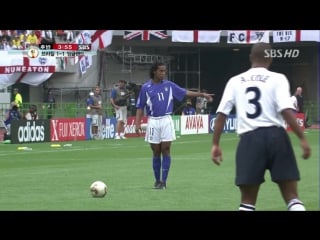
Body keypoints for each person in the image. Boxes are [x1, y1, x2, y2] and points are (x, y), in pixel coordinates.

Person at [211, 43, 311, 211]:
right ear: (270, 58)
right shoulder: (278, 78)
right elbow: (286, 111)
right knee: (292, 198)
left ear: (250, 58)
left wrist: (215, 144)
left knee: (247, 202)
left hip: (249, 140)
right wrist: (302, 138)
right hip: (277, 137)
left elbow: (222, 115)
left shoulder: (235, 81)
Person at [135, 62, 214, 190]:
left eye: (164, 71)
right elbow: (140, 106)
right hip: (153, 121)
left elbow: (185, 92)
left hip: (166, 119)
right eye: (161, 71)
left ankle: (163, 181)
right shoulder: (146, 87)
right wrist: (137, 123)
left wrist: (202, 94)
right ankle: (157, 180)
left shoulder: (169, 85)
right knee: (156, 151)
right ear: (154, 71)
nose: (163, 73)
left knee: (166, 149)